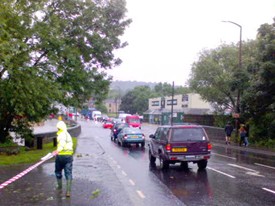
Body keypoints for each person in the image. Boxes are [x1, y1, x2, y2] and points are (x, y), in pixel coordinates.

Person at [52, 121, 74, 197]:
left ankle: (59, 186)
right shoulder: (68, 134)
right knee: (68, 173)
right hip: (69, 156)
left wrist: (57, 151)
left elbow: (61, 143)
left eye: (58, 128)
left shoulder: (61, 134)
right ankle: (68, 191)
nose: (57, 129)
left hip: (61, 156)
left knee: (58, 171)